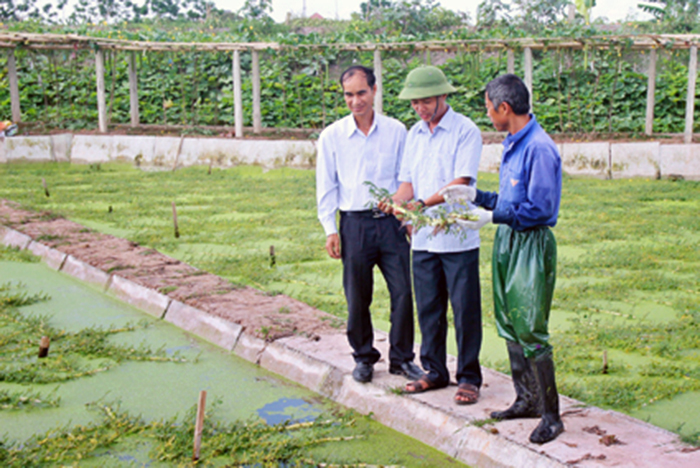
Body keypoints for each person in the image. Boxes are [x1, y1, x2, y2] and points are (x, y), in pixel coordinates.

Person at [440, 73, 564, 443]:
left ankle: (552, 415)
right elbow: (511, 200)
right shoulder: (513, 143)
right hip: (508, 240)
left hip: (530, 244)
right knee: (509, 322)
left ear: (504, 108)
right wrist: (477, 197)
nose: (488, 114)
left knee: (530, 327)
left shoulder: (539, 148)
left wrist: (492, 216)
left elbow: (540, 209)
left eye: (489, 108)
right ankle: (526, 399)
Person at [381, 65, 483, 405]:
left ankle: (469, 377)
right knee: (428, 308)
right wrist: (396, 203)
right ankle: (435, 370)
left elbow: (461, 182)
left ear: (442, 96)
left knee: (464, 309)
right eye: (414, 103)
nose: (420, 108)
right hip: (423, 238)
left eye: (425, 101)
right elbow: (407, 183)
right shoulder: (414, 134)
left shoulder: (465, 131)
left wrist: (421, 204)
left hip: (457, 236)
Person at [316, 65, 424, 384]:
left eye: (361, 93)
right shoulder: (332, 136)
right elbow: (327, 185)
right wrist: (330, 229)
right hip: (354, 225)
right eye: (348, 95)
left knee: (402, 292)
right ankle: (363, 357)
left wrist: (407, 218)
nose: (356, 101)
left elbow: (407, 177)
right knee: (357, 296)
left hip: (391, 223)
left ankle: (402, 358)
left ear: (374, 91)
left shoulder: (396, 131)